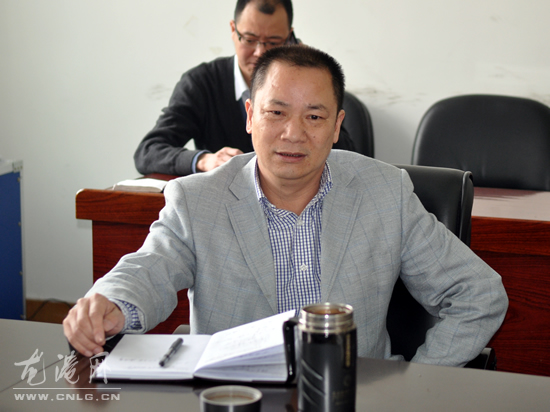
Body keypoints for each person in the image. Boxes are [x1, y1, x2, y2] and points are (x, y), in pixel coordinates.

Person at [64, 46, 508, 367]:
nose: (293, 133)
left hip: (351, 396)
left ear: (337, 126)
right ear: (250, 115)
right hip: (238, 396)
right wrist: (111, 303)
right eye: (276, 113)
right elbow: (149, 269)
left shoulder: (384, 192)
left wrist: (417, 380)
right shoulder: (198, 200)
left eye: (314, 116)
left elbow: (478, 294)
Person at [133, 0, 355, 177]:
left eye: (273, 42)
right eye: (249, 39)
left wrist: (309, 75)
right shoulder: (202, 83)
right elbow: (149, 151)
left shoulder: (315, 86)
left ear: (290, 38)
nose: (260, 52)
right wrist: (203, 160)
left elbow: (350, 157)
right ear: (233, 30)